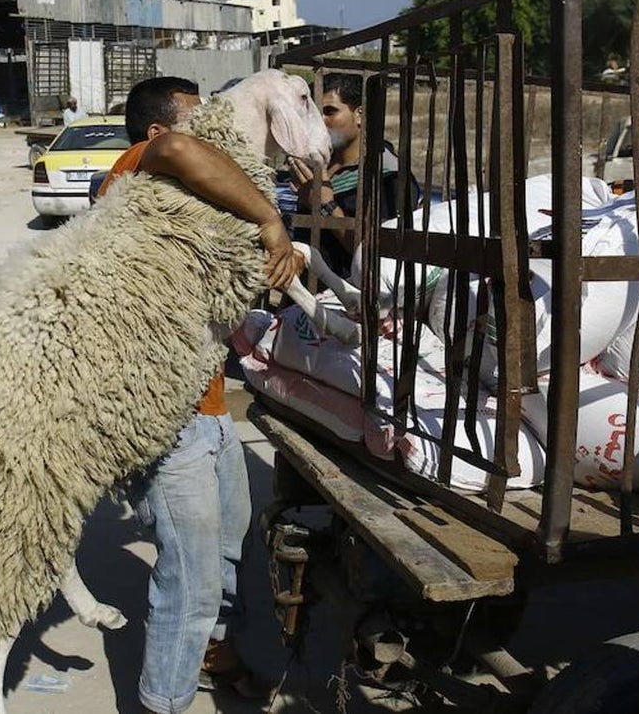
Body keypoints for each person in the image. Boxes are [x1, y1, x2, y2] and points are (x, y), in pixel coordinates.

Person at [98, 76, 297, 714]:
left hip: (209, 411)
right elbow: (184, 153)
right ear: (157, 134)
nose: (212, 134)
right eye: (197, 121)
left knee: (228, 550)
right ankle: (166, 701)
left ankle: (217, 655)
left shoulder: (186, 210)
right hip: (166, 420)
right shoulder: (132, 173)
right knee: (188, 579)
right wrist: (268, 220)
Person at [286, 72, 411, 277]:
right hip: (304, 296)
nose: (319, 122)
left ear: (360, 114)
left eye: (329, 111)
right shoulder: (316, 163)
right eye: (314, 114)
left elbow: (382, 258)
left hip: (346, 299)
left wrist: (325, 206)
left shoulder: (387, 175)